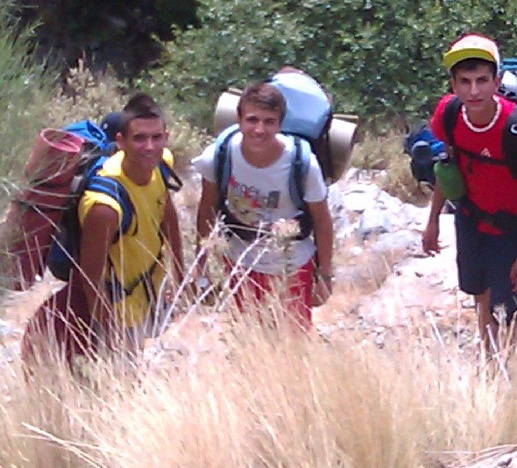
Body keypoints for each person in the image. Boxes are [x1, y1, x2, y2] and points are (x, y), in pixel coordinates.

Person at [21, 93, 185, 367]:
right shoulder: (104, 207)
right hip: (115, 311)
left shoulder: (162, 164)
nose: (149, 147)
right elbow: (90, 277)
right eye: (139, 138)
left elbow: (167, 214)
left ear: (165, 136)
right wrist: (111, 334)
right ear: (121, 142)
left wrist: (180, 273)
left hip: (145, 294)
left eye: (157, 137)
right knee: (122, 391)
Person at [421, 34, 517, 350]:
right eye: (465, 81)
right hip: (470, 220)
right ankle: (491, 361)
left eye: (482, 80)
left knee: (506, 312)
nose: (474, 90)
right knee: (480, 296)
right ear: (453, 85)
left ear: (496, 81)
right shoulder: (448, 115)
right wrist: (433, 220)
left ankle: (507, 371)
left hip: (510, 229)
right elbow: (446, 166)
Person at [193, 81, 334, 329]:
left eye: (269, 121)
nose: (259, 129)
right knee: (249, 338)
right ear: (238, 120)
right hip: (239, 259)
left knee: (294, 340)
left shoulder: (303, 164)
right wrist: (201, 266)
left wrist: (324, 276)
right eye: (252, 120)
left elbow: (322, 221)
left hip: (293, 263)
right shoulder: (218, 156)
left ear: (281, 124)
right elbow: (207, 209)